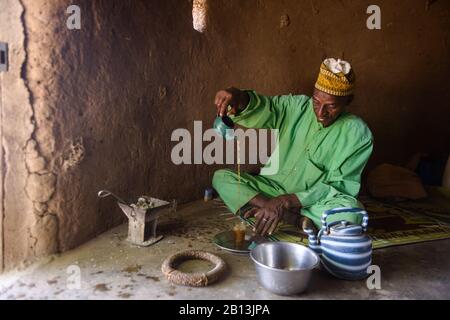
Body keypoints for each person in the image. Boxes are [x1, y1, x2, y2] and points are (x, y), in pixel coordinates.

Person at [212, 58, 374, 237]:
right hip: (270, 188)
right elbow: (265, 107)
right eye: (316, 102)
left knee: (351, 213)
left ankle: (272, 211)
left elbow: (338, 186)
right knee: (221, 177)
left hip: (311, 202)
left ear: (348, 101)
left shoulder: (358, 134)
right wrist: (238, 96)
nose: (320, 113)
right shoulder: (296, 107)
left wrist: (286, 201)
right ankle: (291, 218)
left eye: (331, 106)